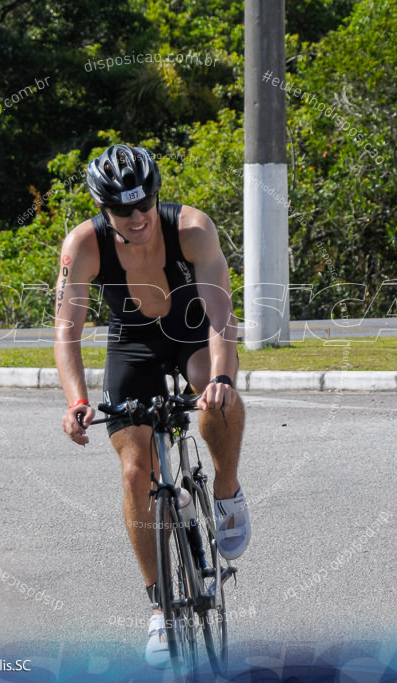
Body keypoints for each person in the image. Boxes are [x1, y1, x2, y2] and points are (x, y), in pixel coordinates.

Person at [53, 144, 250, 665]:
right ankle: (161, 607)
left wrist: (222, 378)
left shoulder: (191, 228)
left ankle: (226, 489)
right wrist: (75, 399)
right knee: (135, 472)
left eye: (144, 204)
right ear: (104, 209)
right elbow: (65, 332)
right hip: (133, 346)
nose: (137, 217)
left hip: (191, 334)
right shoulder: (84, 245)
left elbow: (220, 317)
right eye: (122, 209)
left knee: (219, 402)